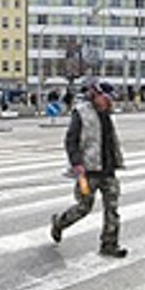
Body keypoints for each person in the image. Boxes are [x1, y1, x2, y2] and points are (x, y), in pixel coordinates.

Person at [50, 79, 128, 258]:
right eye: (106, 98)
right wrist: (76, 163)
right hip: (87, 171)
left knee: (112, 208)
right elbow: (71, 141)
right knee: (83, 207)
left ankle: (109, 244)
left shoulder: (107, 113)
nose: (109, 102)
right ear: (96, 95)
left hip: (108, 170)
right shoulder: (82, 113)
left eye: (111, 99)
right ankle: (59, 223)